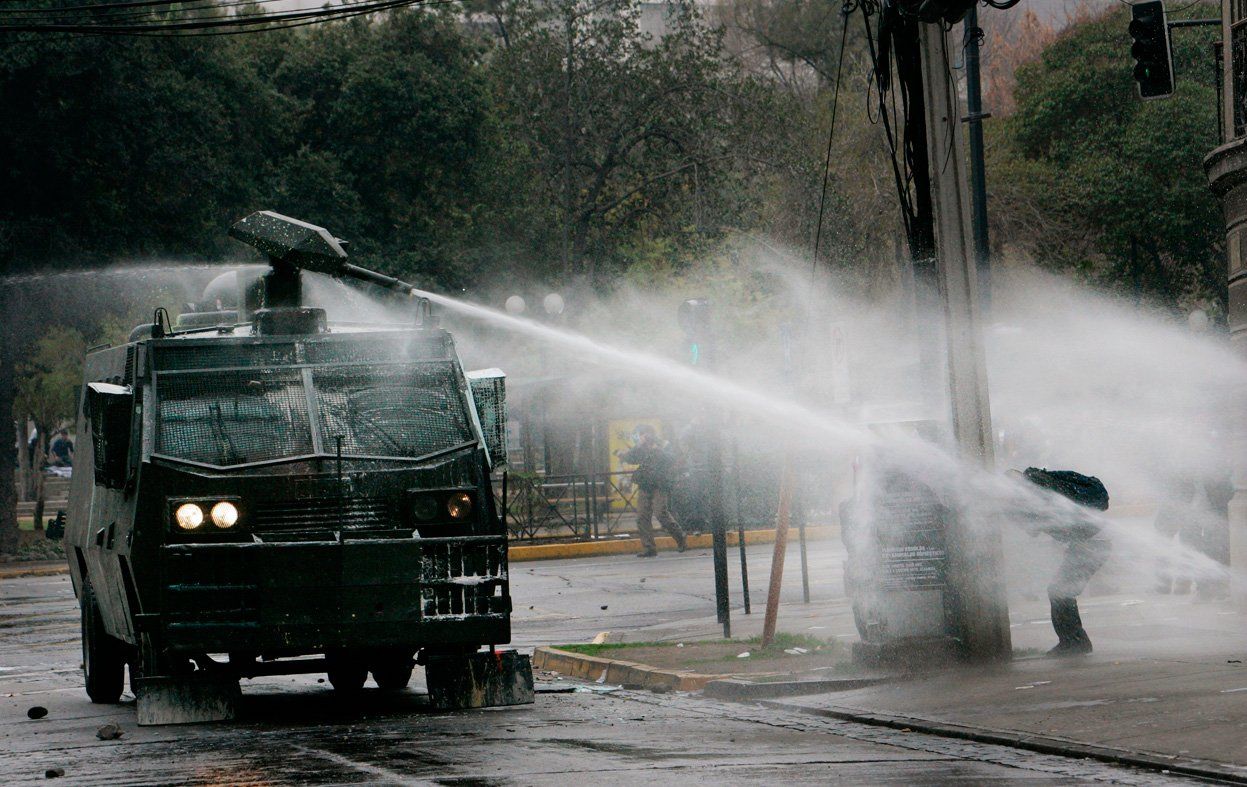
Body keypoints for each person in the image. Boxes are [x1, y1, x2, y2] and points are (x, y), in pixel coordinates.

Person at [1014, 467, 1111, 657]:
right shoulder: (1051, 485)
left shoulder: (1039, 494)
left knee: (1060, 591)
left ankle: (1075, 643)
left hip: (1092, 545)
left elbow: (1033, 528)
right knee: (1060, 591)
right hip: (1094, 543)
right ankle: (1074, 641)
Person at [622, 424, 687, 557]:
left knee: (660, 513)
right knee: (642, 516)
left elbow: (672, 459)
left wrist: (657, 449)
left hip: (660, 484)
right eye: (642, 435)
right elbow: (629, 458)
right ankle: (649, 547)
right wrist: (639, 445)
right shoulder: (641, 448)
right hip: (645, 484)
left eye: (645, 435)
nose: (644, 438)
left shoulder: (663, 444)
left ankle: (680, 537)